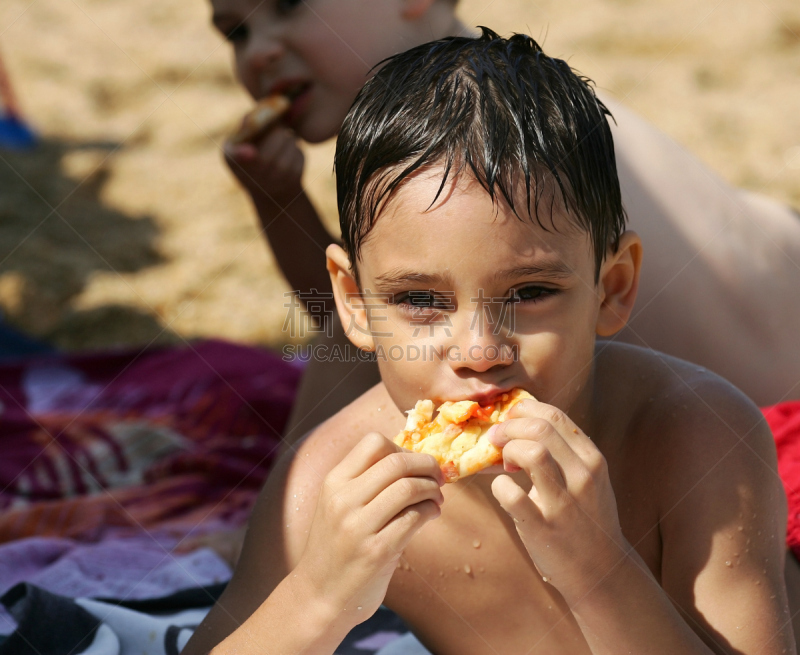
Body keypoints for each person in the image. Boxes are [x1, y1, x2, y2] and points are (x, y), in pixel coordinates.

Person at [182, 31, 796, 654]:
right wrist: (317, 595)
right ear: (355, 303)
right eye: (419, 301)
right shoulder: (325, 486)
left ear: (611, 288)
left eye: (529, 292)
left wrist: (599, 571)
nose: (479, 350)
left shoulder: (695, 438)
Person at [209, 0, 800, 447]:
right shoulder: (535, 100)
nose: (260, 50)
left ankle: (285, 522)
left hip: (744, 432)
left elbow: (365, 334)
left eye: (286, 5)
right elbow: (371, 317)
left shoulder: (462, 150)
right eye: (236, 32)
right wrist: (277, 197)